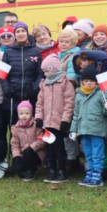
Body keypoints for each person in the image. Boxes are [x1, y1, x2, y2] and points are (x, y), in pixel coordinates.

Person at [70, 65, 107, 187]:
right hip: (83, 130)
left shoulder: (101, 94)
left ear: (96, 82)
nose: (89, 83)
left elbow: (106, 113)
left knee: (97, 154)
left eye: (91, 81)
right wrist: (73, 130)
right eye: (86, 81)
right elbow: (76, 114)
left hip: (97, 130)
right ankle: (89, 173)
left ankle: (97, 176)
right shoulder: (79, 95)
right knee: (88, 153)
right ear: (82, 82)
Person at [34, 53, 74, 184]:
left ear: (54, 69)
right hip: (47, 122)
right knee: (50, 148)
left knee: (59, 148)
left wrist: (65, 120)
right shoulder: (44, 84)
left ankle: (62, 170)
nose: (45, 74)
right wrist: (39, 117)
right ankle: (51, 169)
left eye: (47, 71)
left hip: (58, 122)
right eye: (43, 72)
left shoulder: (65, 83)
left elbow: (69, 103)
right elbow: (40, 103)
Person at [1, 22, 43, 126]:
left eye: (23, 31)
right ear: (14, 34)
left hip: (30, 95)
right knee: (14, 127)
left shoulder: (36, 52)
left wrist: (35, 88)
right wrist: (6, 88)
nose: (20, 34)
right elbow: (2, 75)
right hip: (13, 97)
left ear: (27, 33)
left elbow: (40, 73)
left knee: (31, 127)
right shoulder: (8, 53)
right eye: (18, 31)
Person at [9, 101, 44, 181]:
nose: (24, 116)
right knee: (16, 167)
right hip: (23, 154)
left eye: (27, 113)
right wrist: (16, 156)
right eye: (21, 114)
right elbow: (14, 145)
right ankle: (25, 169)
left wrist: (32, 147)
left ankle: (32, 170)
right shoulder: (15, 128)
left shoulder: (36, 125)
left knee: (28, 153)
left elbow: (42, 140)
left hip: (36, 153)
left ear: (31, 113)